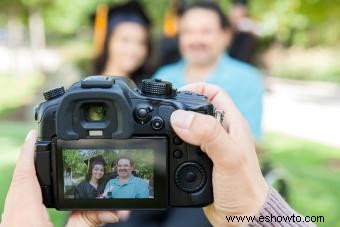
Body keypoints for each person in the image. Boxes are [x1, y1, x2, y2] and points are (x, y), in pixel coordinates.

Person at [0, 83, 314, 226]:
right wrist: (258, 215)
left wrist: (252, 211)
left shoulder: (135, 182)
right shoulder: (103, 187)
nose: (116, 168)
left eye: (125, 164)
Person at [153, 1, 264, 140]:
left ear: (226, 35)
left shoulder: (247, 79)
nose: (196, 39)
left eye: (206, 31)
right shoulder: (162, 77)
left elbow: (251, 143)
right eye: (188, 31)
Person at [92, 1, 153, 86]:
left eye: (141, 42)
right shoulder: (86, 89)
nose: (133, 49)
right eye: (125, 40)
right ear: (107, 41)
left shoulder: (147, 90)